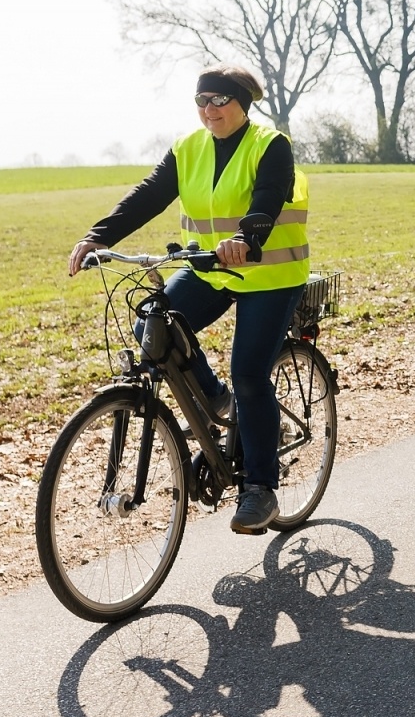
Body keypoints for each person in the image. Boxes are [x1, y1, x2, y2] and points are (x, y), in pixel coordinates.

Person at [67, 64, 309, 534]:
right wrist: (99, 235)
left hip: (269, 275)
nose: (208, 109)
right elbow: (149, 196)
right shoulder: (188, 148)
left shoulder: (269, 144)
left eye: (219, 100)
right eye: (201, 100)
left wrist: (247, 236)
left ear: (242, 101)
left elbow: (269, 198)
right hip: (212, 271)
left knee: (250, 373)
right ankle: (217, 400)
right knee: (151, 323)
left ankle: (260, 487)